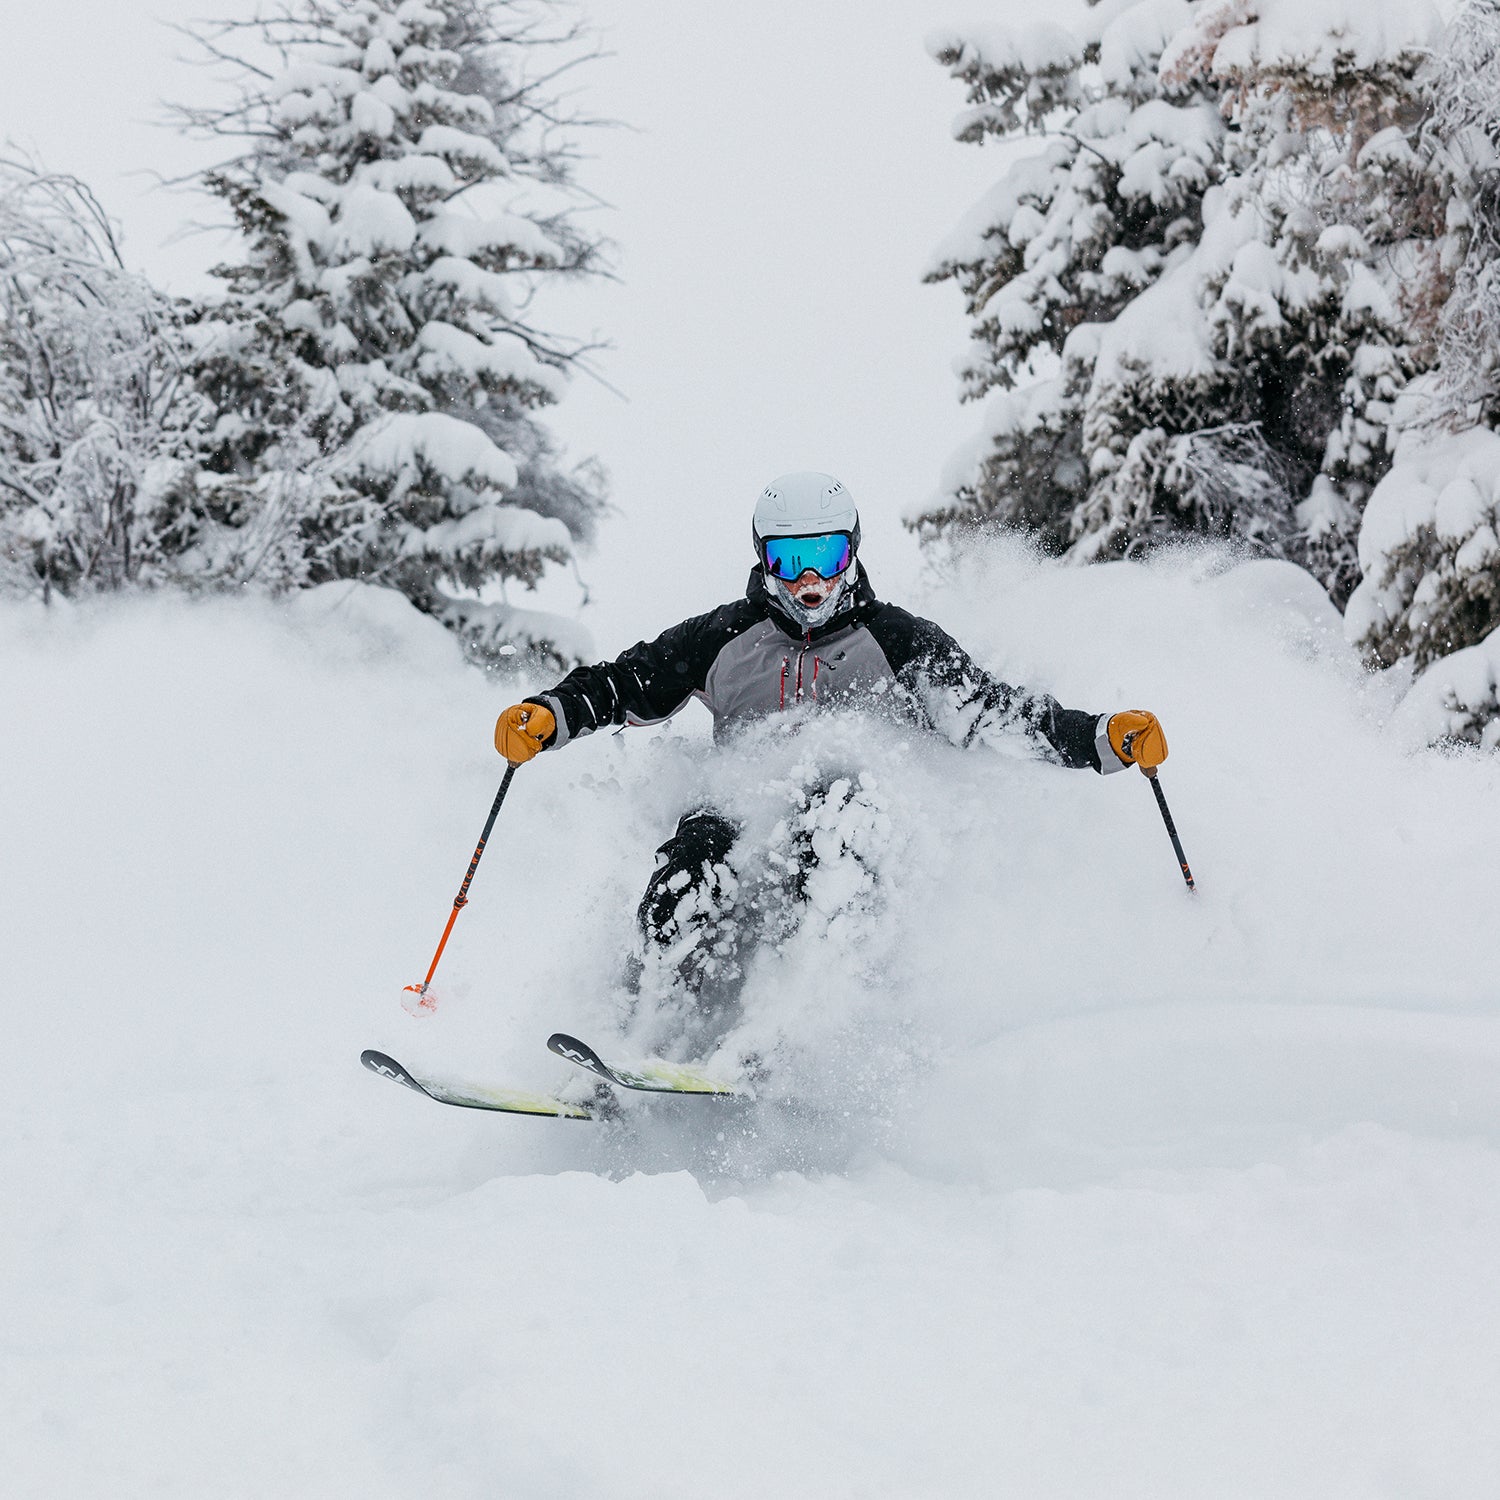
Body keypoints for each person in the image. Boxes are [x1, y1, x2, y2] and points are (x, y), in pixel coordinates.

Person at [493, 471, 1167, 1004]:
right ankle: (648, 1026)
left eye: (826, 554)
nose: (810, 579)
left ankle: (793, 1022)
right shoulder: (723, 636)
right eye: (791, 559)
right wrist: (552, 715)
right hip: (742, 803)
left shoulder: (897, 639)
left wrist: (1103, 738)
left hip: (848, 818)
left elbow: (991, 713)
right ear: (765, 559)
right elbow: (625, 683)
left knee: (837, 812)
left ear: (852, 552)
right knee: (690, 865)